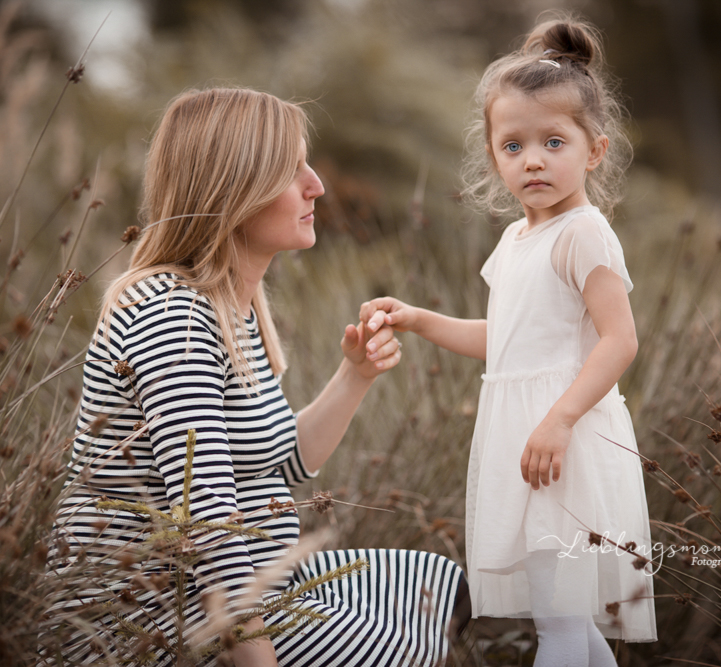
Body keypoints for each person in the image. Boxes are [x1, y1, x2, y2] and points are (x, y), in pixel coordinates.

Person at [44, 87, 468, 666]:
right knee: (398, 648)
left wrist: (355, 373)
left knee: (436, 591)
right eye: (291, 170)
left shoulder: (228, 305)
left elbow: (280, 464)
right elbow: (208, 525)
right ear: (233, 189)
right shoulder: (172, 318)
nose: (315, 183)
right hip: (149, 616)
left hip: (233, 579)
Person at [360, 18, 658, 665]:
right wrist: (418, 317)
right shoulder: (516, 240)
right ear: (494, 155)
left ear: (595, 150)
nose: (533, 159)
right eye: (513, 145)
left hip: (563, 445)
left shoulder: (584, 234)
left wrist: (559, 421)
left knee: (557, 627)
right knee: (571, 627)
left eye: (554, 141)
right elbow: (509, 339)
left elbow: (618, 340)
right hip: (522, 439)